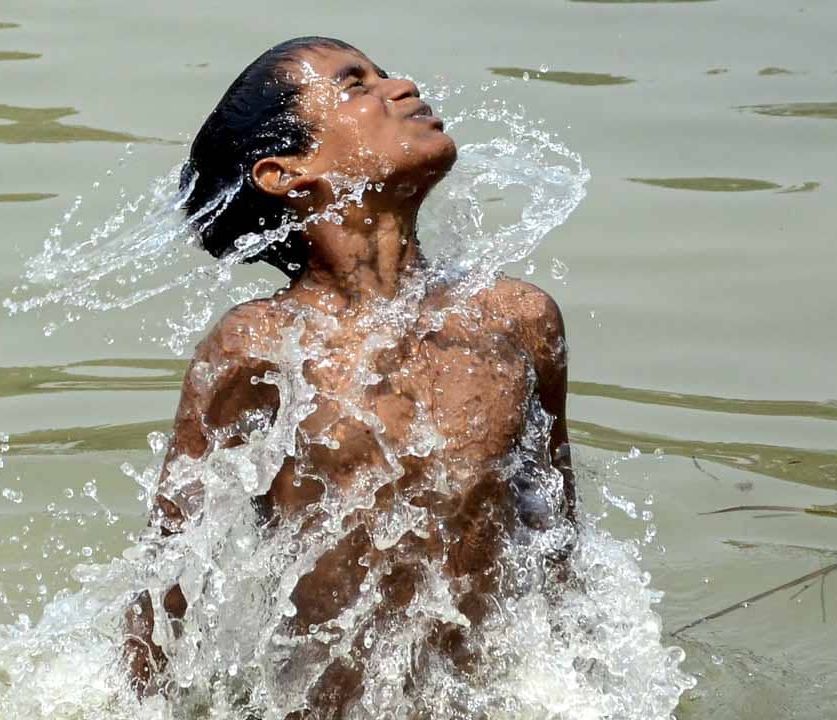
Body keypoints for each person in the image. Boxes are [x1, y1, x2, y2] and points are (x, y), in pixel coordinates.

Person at [123, 36, 574, 715]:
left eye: (385, 75)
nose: (402, 88)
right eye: (356, 84)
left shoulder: (518, 319)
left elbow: (558, 541)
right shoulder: (259, 347)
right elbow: (168, 585)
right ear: (286, 174)